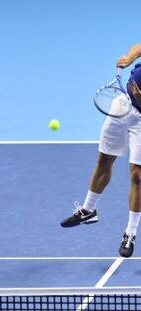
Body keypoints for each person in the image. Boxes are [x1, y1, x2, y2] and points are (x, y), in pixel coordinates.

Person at [60, 43, 141, 258]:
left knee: (137, 176)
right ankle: (88, 210)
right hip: (123, 105)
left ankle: (130, 233)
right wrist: (130, 57)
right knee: (104, 160)